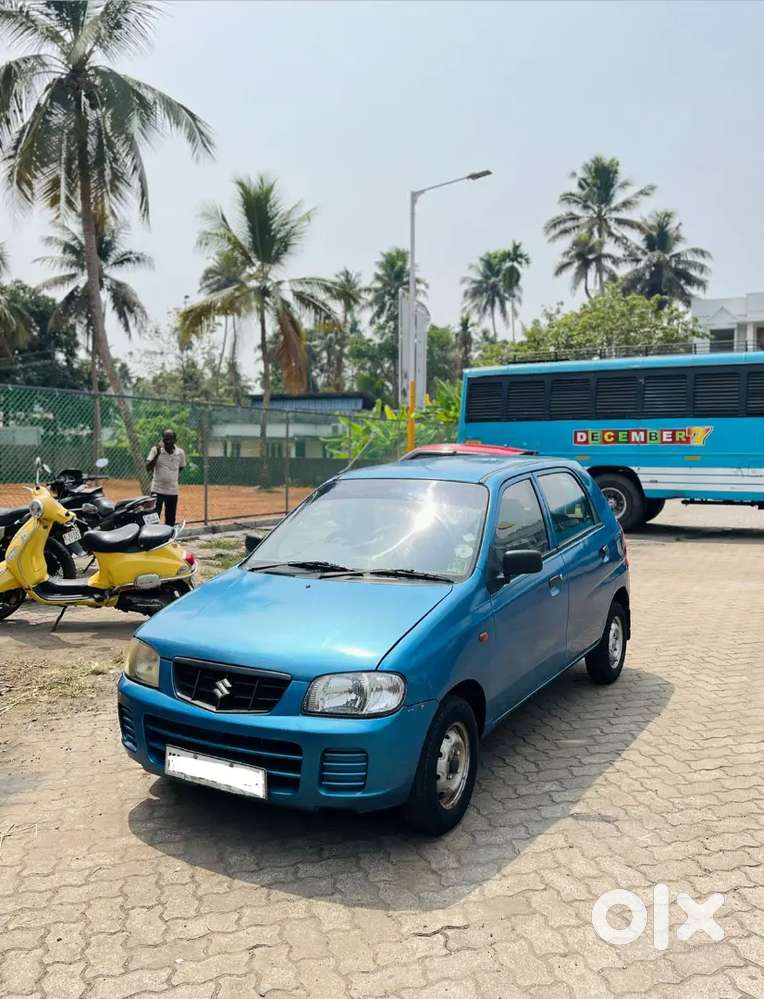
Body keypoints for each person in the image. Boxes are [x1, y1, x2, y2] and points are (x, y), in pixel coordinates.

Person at [146, 429, 186, 526]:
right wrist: (158, 454)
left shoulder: (180, 453)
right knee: (154, 518)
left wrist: (171, 476)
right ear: (162, 439)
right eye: (165, 439)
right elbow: (148, 468)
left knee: (170, 519)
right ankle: (154, 539)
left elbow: (181, 467)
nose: (168, 442)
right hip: (157, 490)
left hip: (172, 491)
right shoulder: (155, 450)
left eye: (170, 439)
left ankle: (168, 539)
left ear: (175, 440)